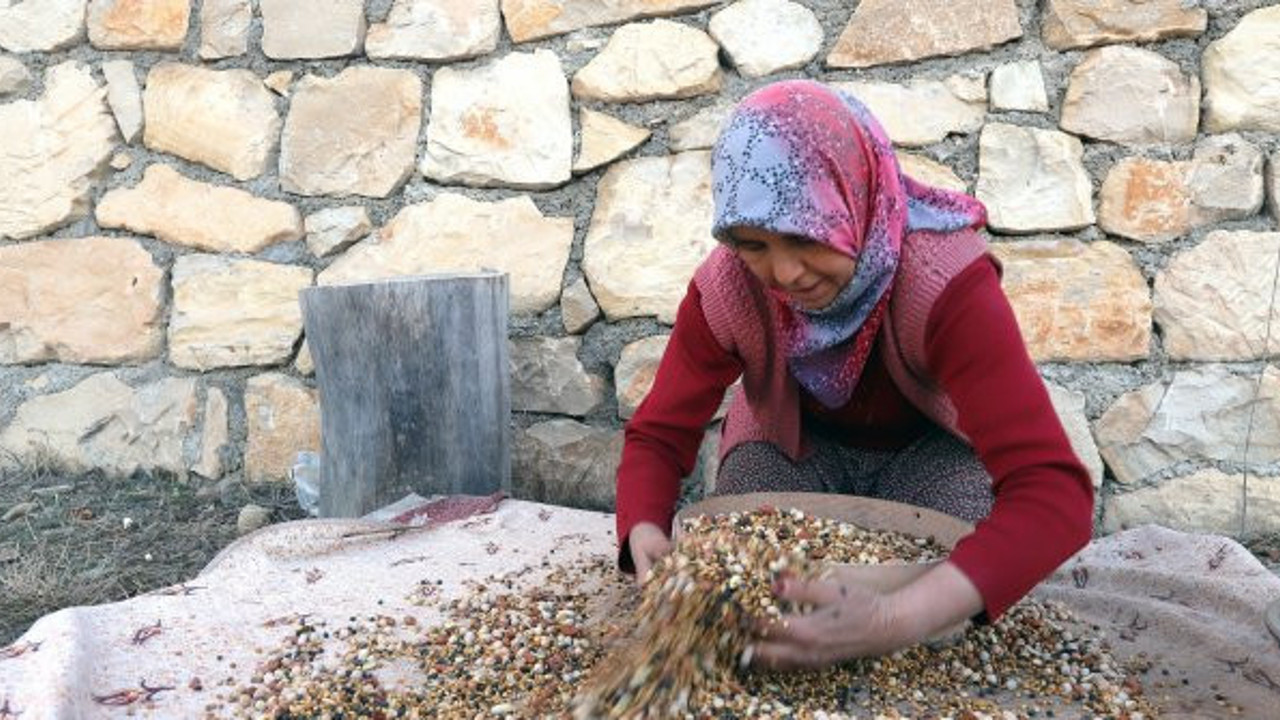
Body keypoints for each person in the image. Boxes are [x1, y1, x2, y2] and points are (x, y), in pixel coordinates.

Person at [613, 80, 1094, 669]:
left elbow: (1053, 492)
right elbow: (660, 432)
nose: (784, 272)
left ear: (853, 196)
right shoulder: (729, 285)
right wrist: (642, 532)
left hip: (929, 459)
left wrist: (897, 618)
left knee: (966, 541)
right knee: (740, 535)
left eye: (804, 235)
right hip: (795, 454)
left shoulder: (945, 281)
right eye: (753, 243)